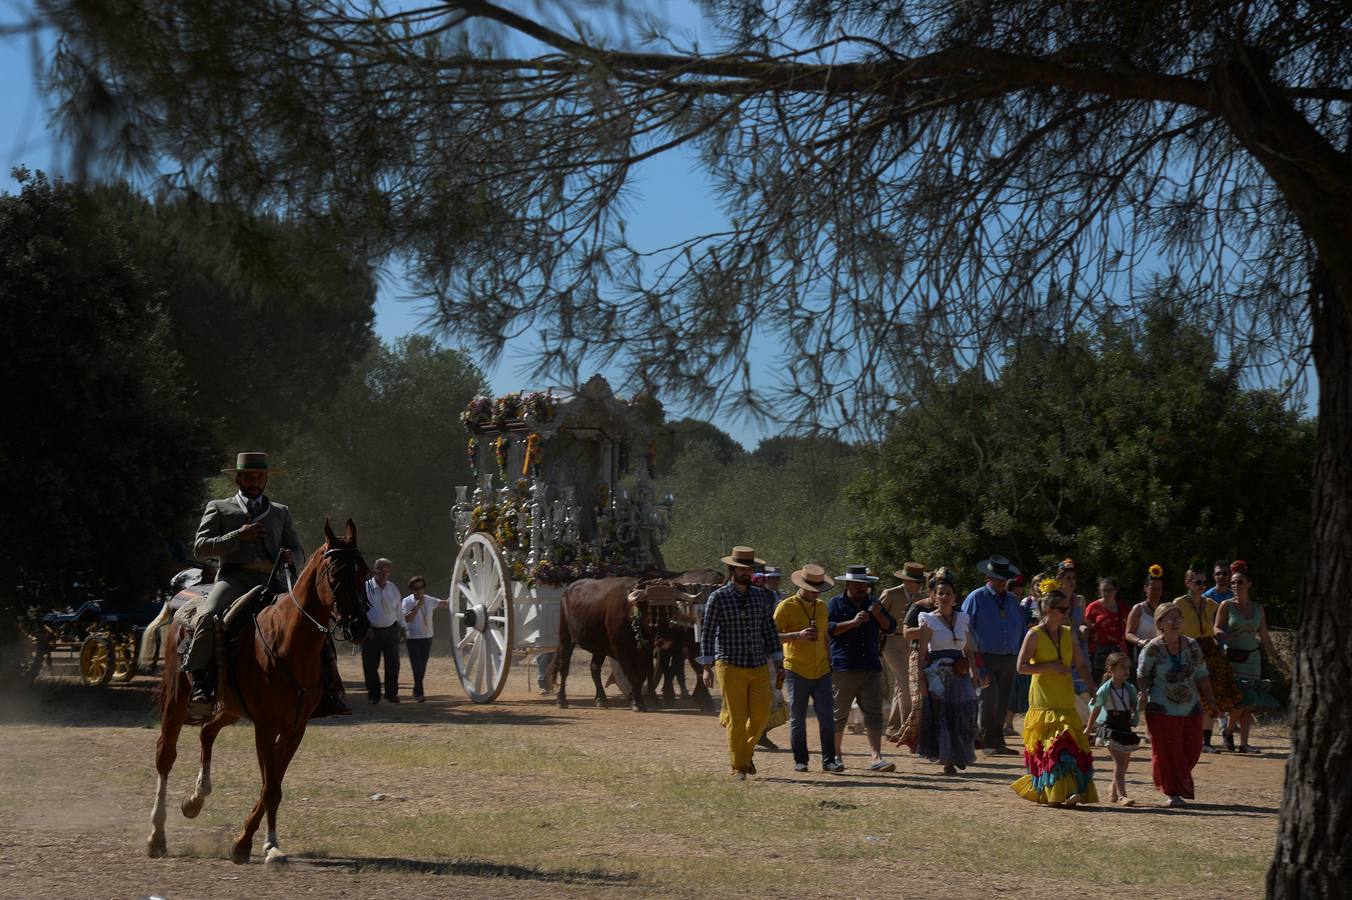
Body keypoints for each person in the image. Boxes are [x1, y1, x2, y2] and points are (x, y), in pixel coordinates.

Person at [187, 452, 347, 719]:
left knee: (315, 623)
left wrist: (291, 557)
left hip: (273, 581)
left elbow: (297, 548)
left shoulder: (280, 512)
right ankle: (202, 685)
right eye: (249, 476)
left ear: (265, 480)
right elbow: (200, 548)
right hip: (234, 579)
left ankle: (329, 690)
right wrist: (239, 536)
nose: (255, 481)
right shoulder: (219, 507)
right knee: (207, 616)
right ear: (238, 478)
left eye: (260, 477)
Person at [1011, 578, 1098, 806]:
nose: (1067, 612)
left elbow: (1080, 663)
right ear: (1048, 610)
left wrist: (1091, 686)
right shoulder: (1034, 635)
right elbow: (1021, 667)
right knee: (1053, 749)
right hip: (1044, 702)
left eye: (1068, 608)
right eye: (1062, 609)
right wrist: (1049, 666)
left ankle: (1065, 793)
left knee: (1068, 747)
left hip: (1064, 700)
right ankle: (1057, 794)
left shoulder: (1069, 633)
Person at [698, 546, 783, 780]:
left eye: (750, 568)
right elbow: (708, 632)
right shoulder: (719, 597)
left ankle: (744, 754)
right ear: (732, 569)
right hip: (729, 663)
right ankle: (739, 767)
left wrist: (778, 660)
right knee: (736, 718)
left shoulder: (760, 596)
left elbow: (769, 629)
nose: (747, 572)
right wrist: (707, 667)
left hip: (758, 663)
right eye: (742, 568)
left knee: (761, 714)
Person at [1137, 601, 1221, 807]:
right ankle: (1172, 792)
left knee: (1193, 748)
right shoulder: (1152, 648)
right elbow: (1142, 674)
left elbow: (1202, 674)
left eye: (1178, 618)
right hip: (1160, 709)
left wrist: (1211, 700)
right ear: (1160, 622)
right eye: (1170, 618)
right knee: (1167, 752)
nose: (1175, 622)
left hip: (1191, 707)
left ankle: (1176, 782)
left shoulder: (1192, 645)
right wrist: (1144, 692)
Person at [828, 565, 898, 772]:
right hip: (843, 667)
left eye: (865, 585)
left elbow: (891, 627)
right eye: (858, 584)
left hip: (870, 667)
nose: (862, 588)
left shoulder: (874, 604)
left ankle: (876, 757)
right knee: (838, 714)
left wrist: (878, 615)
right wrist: (852, 622)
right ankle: (835, 755)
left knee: (874, 714)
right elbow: (829, 629)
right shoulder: (834, 604)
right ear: (848, 584)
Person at [1214, 560, 1286, 753]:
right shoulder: (1226, 605)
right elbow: (1216, 628)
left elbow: (1264, 638)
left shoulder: (1258, 609)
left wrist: (1277, 659)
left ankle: (1244, 743)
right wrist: (1228, 636)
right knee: (1240, 700)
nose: (1236, 586)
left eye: (1240, 582)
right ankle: (1228, 731)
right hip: (1234, 659)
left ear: (1249, 584)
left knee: (1250, 703)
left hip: (1252, 660)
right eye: (1234, 583)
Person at [773, 565, 839, 773]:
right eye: (812, 589)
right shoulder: (786, 607)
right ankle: (801, 760)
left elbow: (825, 637)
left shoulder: (821, 607)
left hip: (822, 670)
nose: (816, 593)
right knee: (798, 717)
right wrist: (797, 636)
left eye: (819, 589)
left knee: (827, 716)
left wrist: (829, 660)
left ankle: (830, 760)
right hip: (796, 670)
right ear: (801, 586)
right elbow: (772, 636)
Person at [915, 569, 981, 775]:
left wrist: (974, 671)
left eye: (948, 593)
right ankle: (948, 760)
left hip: (960, 671)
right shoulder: (927, 620)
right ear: (934, 596)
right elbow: (923, 652)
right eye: (940, 593)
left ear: (954, 597)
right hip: (938, 672)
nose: (944, 596)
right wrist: (921, 679)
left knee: (966, 711)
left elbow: (969, 648)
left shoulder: (963, 619)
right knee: (943, 716)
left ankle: (961, 752)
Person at [962, 554, 1026, 756]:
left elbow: (1022, 628)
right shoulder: (976, 598)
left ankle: (998, 741)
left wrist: (1022, 651)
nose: (1002, 583)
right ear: (988, 578)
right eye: (998, 579)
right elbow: (965, 628)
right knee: (988, 698)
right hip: (984, 656)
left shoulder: (1013, 601)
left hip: (1009, 657)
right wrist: (972, 658)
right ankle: (987, 740)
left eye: (1004, 579)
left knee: (1004, 699)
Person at [1176, 561, 1242, 751]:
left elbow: (1219, 625)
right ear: (1188, 582)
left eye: (1203, 583)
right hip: (1187, 650)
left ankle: (1206, 741)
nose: (1201, 586)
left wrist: (1224, 635)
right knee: (1189, 696)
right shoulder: (1178, 604)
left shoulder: (1212, 604)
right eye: (1197, 582)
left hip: (1209, 651)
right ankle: (1186, 737)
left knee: (1210, 696)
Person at [1085, 651, 1140, 805]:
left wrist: (1141, 703)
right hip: (1111, 729)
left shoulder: (1130, 689)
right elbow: (1096, 708)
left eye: (1128, 667)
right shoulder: (1105, 690)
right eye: (1122, 667)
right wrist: (1089, 728)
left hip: (1125, 729)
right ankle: (1123, 796)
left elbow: (1134, 708)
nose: (1126, 671)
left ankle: (1113, 789)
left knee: (1124, 763)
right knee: (1120, 763)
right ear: (1111, 669)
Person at [892, 570, 938, 751]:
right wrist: (928, 630)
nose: (942, 596)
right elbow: (907, 633)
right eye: (938, 592)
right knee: (919, 701)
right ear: (931, 590)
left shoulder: (952, 609)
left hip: (943, 658)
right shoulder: (918, 607)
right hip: (919, 655)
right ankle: (913, 738)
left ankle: (934, 741)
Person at [880, 561, 925, 741]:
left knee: (901, 685)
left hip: (910, 643)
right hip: (892, 642)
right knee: (906, 683)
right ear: (906, 581)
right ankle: (909, 727)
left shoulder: (919, 598)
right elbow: (879, 617)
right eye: (916, 581)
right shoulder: (891, 593)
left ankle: (893, 728)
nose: (918, 584)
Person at [363, 557, 404, 704]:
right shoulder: (366, 588)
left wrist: (403, 628)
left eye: (387, 572)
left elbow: (399, 609)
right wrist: (365, 628)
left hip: (391, 631)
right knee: (370, 666)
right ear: (375, 571)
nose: (384, 575)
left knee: (393, 665)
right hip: (371, 632)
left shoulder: (393, 588)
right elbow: (360, 611)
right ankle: (374, 696)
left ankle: (391, 694)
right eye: (382, 572)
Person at [401, 575, 448, 702]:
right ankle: (419, 693)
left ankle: (416, 690)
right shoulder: (406, 601)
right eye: (416, 588)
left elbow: (443, 604)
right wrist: (416, 606)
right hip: (413, 638)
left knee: (423, 666)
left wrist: (454, 596)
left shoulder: (428, 599)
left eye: (422, 587)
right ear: (412, 589)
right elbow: (407, 618)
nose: (419, 590)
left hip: (427, 637)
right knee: (417, 666)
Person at [1083, 576, 1129, 683]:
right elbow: (1085, 624)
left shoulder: (1123, 607)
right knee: (1101, 684)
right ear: (1099, 591)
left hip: (1119, 651)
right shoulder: (1093, 607)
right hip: (1099, 652)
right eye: (1104, 590)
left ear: (1116, 590)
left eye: (1110, 590)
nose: (1107, 593)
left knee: (1119, 683)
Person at [1005, 574, 1035, 736]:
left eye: (1019, 593)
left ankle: (1009, 724)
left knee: (1019, 691)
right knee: (1010, 690)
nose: (1017, 596)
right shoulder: (1006, 609)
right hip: (1010, 653)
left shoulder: (1023, 609)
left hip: (1022, 653)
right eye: (1015, 594)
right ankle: (1006, 724)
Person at [1124, 566, 1164, 668]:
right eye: (1153, 589)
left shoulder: (1163, 609)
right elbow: (1128, 634)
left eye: (1159, 589)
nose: (1156, 592)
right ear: (1145, 588)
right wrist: (1140, 641)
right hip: (1142, 654)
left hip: (1160, 654)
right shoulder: (1138, 609)